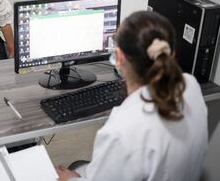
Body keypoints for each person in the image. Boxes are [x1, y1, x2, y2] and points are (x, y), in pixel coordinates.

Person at [56, 11, 208, 181]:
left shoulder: (120, 132)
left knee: (70, 169)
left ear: (119, 57)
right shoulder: (190, 85)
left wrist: (69, 179)